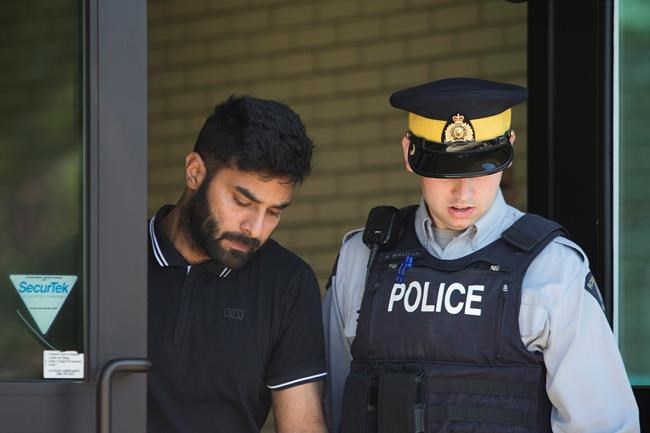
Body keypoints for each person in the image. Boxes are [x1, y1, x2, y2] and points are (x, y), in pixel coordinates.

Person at [322, 78, 640, 433]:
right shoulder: (362, 259)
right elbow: (327, 411)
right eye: (444, 170)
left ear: (509, 149)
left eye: (482, 168)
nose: (464, 192)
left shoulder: (552, 267)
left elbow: (602, 424)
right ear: (409, 153)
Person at [148, 95, 327, 433]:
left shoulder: (287, 282)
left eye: (274, 212)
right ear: (195, 172)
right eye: (243, 202)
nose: (255, 229)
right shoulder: (104, 260)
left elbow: (303, 424)